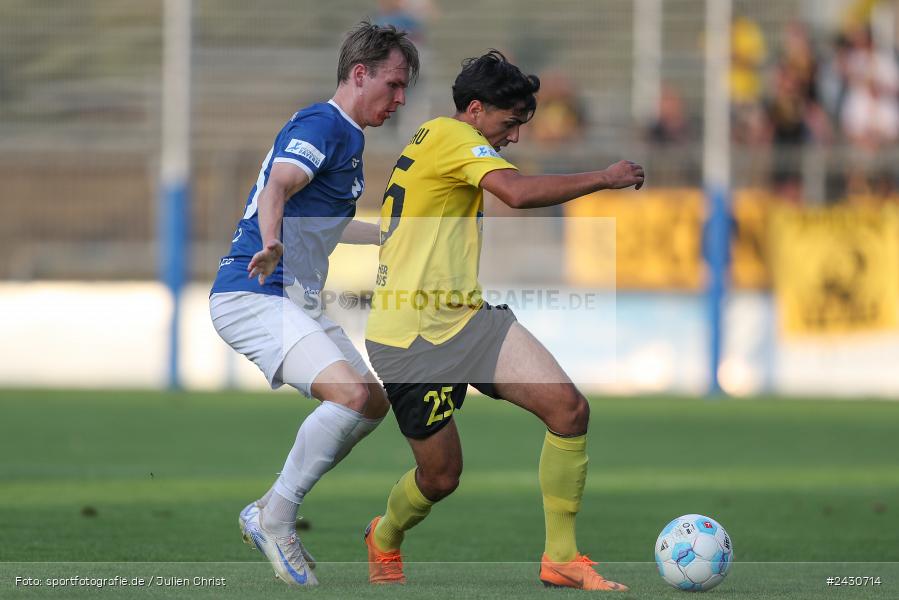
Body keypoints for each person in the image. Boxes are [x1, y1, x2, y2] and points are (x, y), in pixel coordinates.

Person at [362, 50, 643, 591]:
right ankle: (385, 535)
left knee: (569, 409)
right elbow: (515, 193)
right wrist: (603, 178)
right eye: (509, 122)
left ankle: (560, 557)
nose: (513, 136)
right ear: (474, 109)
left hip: (467, 321)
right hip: (410, 339)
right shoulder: (451, 137)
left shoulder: (442, 138)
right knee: (441, 478)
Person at [208, 22, 418, 587]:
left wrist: (387, 237)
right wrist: (271, 241)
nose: (400, 99)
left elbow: (325, 222)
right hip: (253, 293)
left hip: (293, 297)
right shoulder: (324, 122)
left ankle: (271, 511)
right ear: (359, 73)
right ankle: (274, 516)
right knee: (350, 396)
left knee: (371, 402)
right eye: (394, 84)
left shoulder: (350, 137)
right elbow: (277, 186)